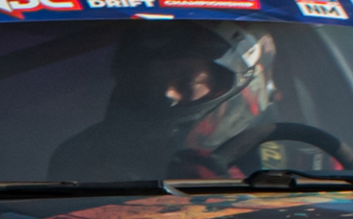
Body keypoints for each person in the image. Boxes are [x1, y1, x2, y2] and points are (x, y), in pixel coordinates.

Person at [47, 21, 322, 181]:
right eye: (151, 81)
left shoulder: (302, 159)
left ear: (245, 85)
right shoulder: (85, 154)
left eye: (187, 84)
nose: (167, 94)